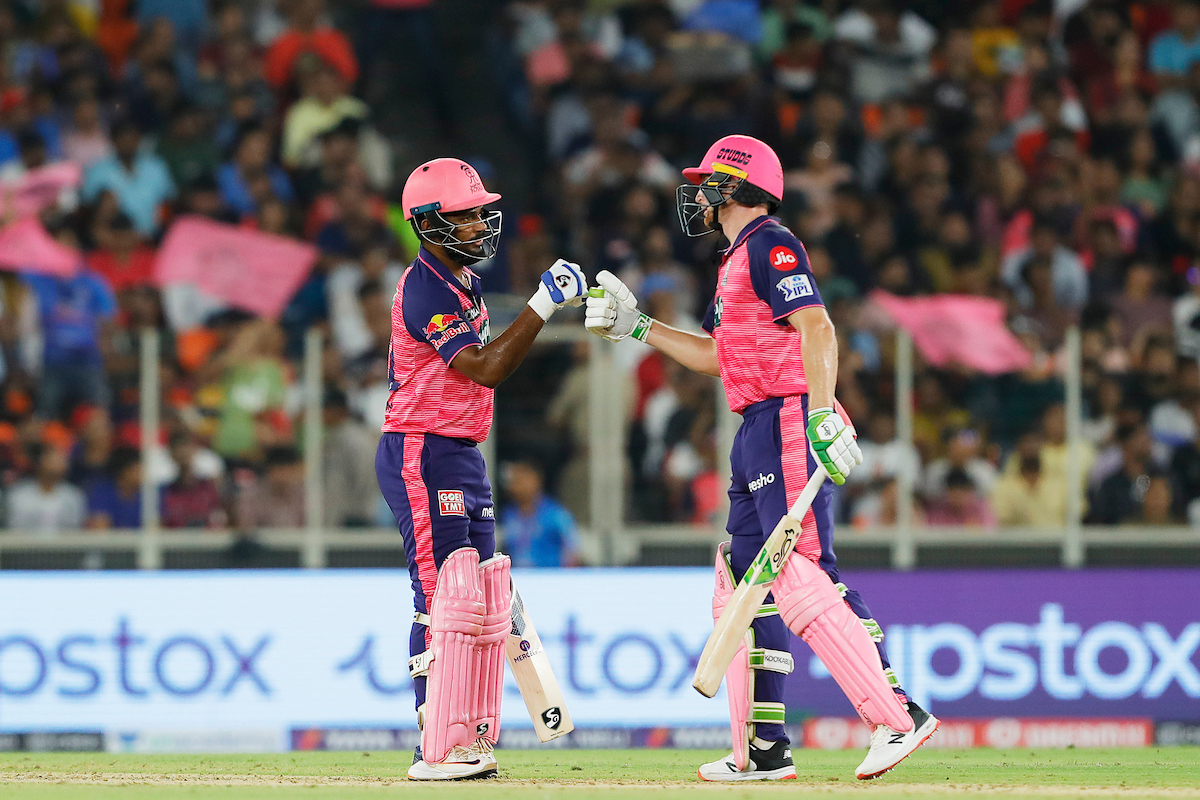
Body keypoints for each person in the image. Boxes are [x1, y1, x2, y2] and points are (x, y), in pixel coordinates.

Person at [585, 134, 937, 782]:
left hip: (785, 418)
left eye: (706, 183)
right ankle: (761, 749)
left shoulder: (771, 244)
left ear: (734, 187)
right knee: (742, 572)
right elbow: (720, 358)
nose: (698, 195)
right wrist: (638, 328)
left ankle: (895, 715)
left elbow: (819, 327)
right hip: (757, 424)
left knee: (792, 567)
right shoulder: (736, 260)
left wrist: (823, 412)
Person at [374, 158, 586, 780]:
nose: (476, 224)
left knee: (484, 595)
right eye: (462, 215)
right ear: (426, 222)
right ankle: (433, 742)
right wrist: (543, 305)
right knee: (441, 596)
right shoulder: (426, 287)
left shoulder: (458, 278)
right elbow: (487, 367)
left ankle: (467, 730)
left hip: (461, 450)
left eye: (477, 212)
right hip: (421, 447)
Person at [499, 460, 581, 568]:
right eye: (515, 481)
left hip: (548, 577)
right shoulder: (508, 514)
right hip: (517, 577)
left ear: (536, 480)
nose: (517, 487)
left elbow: (573, 550)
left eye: (522, 480)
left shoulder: (555, 514)